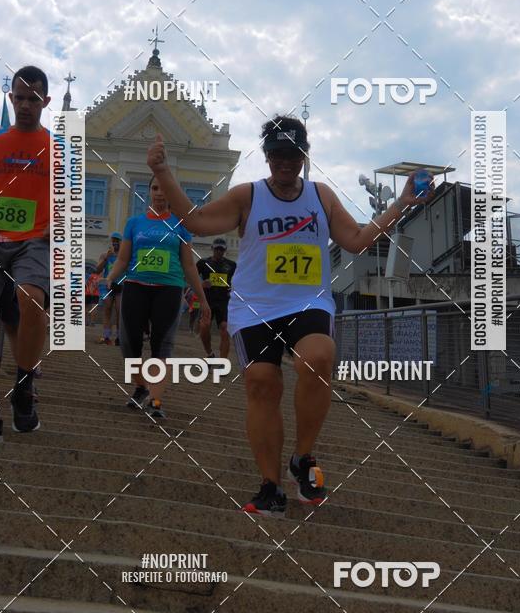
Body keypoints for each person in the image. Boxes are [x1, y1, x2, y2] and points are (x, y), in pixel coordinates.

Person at [147, 116, 435, 515]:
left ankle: (303, 457)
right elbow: (196, 223)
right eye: (278, 155)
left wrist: (401, 204)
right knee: (262, 384)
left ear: (304, 156)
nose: (286, 163)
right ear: (267, 157)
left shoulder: (321, 196)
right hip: (254, 308)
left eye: (294, 155)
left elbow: (356, 241)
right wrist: (163, 171)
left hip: (307, 303)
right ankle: (270, 486)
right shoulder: (248, 196)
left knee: (318, 357)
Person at [0, 66, 51, 440]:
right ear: (12, 98)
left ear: (45, 101)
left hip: (34, 240)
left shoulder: (58, 148)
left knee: (31, 299)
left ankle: (24, 388)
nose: (25, 105)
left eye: (33, 99)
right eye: (19, 98)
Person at [106, 175, 210, 419]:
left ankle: (155, 400)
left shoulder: (180, 225)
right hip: (135, 285)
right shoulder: (134, 223)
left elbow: (189, 265)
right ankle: (141, 386)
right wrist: (110, 277)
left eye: (164, 189)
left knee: (162, 344)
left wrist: (202, 299)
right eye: (155, 188)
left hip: (169, 288)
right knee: (129, 343)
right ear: (149, 191)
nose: (159, 193)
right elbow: (123, 258)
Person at [196, 238, 236, 360]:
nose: (219, 251)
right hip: (207, 300)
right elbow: (190, 278)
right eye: (217, 249)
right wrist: (201, 284)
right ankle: (209, 353)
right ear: (212, 248)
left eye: (221, 249)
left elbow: (239, 281)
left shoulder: (232, 265)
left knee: (225, 328)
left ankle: (223, 362)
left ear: (225, 250)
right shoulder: (203, 263)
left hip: (224, 302)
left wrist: (234, 289)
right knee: (204, 326)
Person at [95, 233, 123, 344]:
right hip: (107, 285)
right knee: (107, 309)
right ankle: (106, 336)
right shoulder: (105, 255)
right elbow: (97, 270)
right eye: (113, 241)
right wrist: (106, 258)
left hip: (121, 285)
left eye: (117, 241)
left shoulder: (124, 256)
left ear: (121, 242)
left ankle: (119, 337)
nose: (115, 243)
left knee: (119, 311)